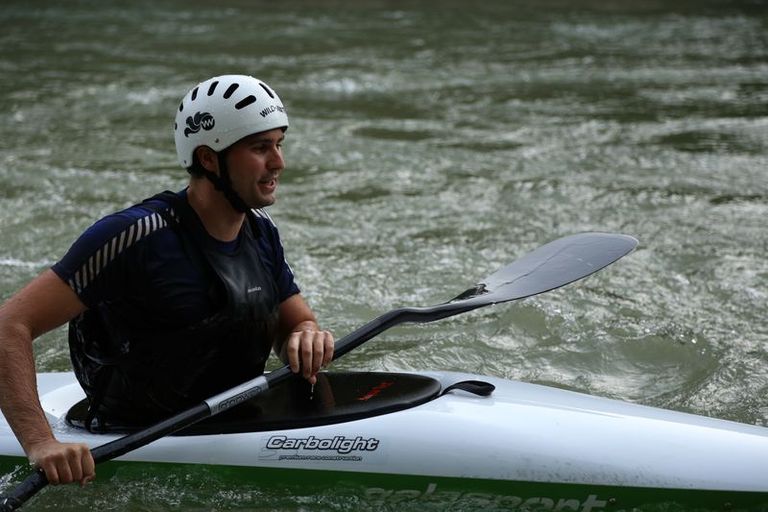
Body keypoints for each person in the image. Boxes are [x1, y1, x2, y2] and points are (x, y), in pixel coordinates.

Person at [0, 75, 334, 486]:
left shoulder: (261, 230)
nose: (279, 162)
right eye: (260, 147)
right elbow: (9, 324)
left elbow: (296, 322)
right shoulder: (134, 237)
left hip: (232, 420)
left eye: (279, 144)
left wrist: (305, 336)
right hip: (131, 433)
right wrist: (40, 442)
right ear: (208, 159)